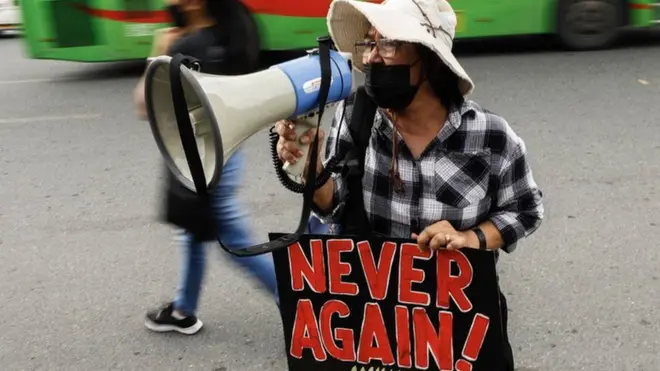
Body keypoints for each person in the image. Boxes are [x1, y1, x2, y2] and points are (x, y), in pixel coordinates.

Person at [275, 0, 544, 368]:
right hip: (377, 326)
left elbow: (525, 210)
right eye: (369, 44)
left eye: (388, 44)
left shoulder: (490, 136)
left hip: (458, 326)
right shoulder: (355, 117)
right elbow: (334, 204)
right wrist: (309, 165)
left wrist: (471, 239)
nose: (371, 58)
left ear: (429, 60)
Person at [133, 0, 277, 335]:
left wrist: (159, 53)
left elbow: (145, 105)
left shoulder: (185, 47)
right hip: (226, 148)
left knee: (234, 242)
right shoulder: (234, 32)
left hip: (199, 159)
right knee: (193, 232)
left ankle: (296, 304)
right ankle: (184, 309)